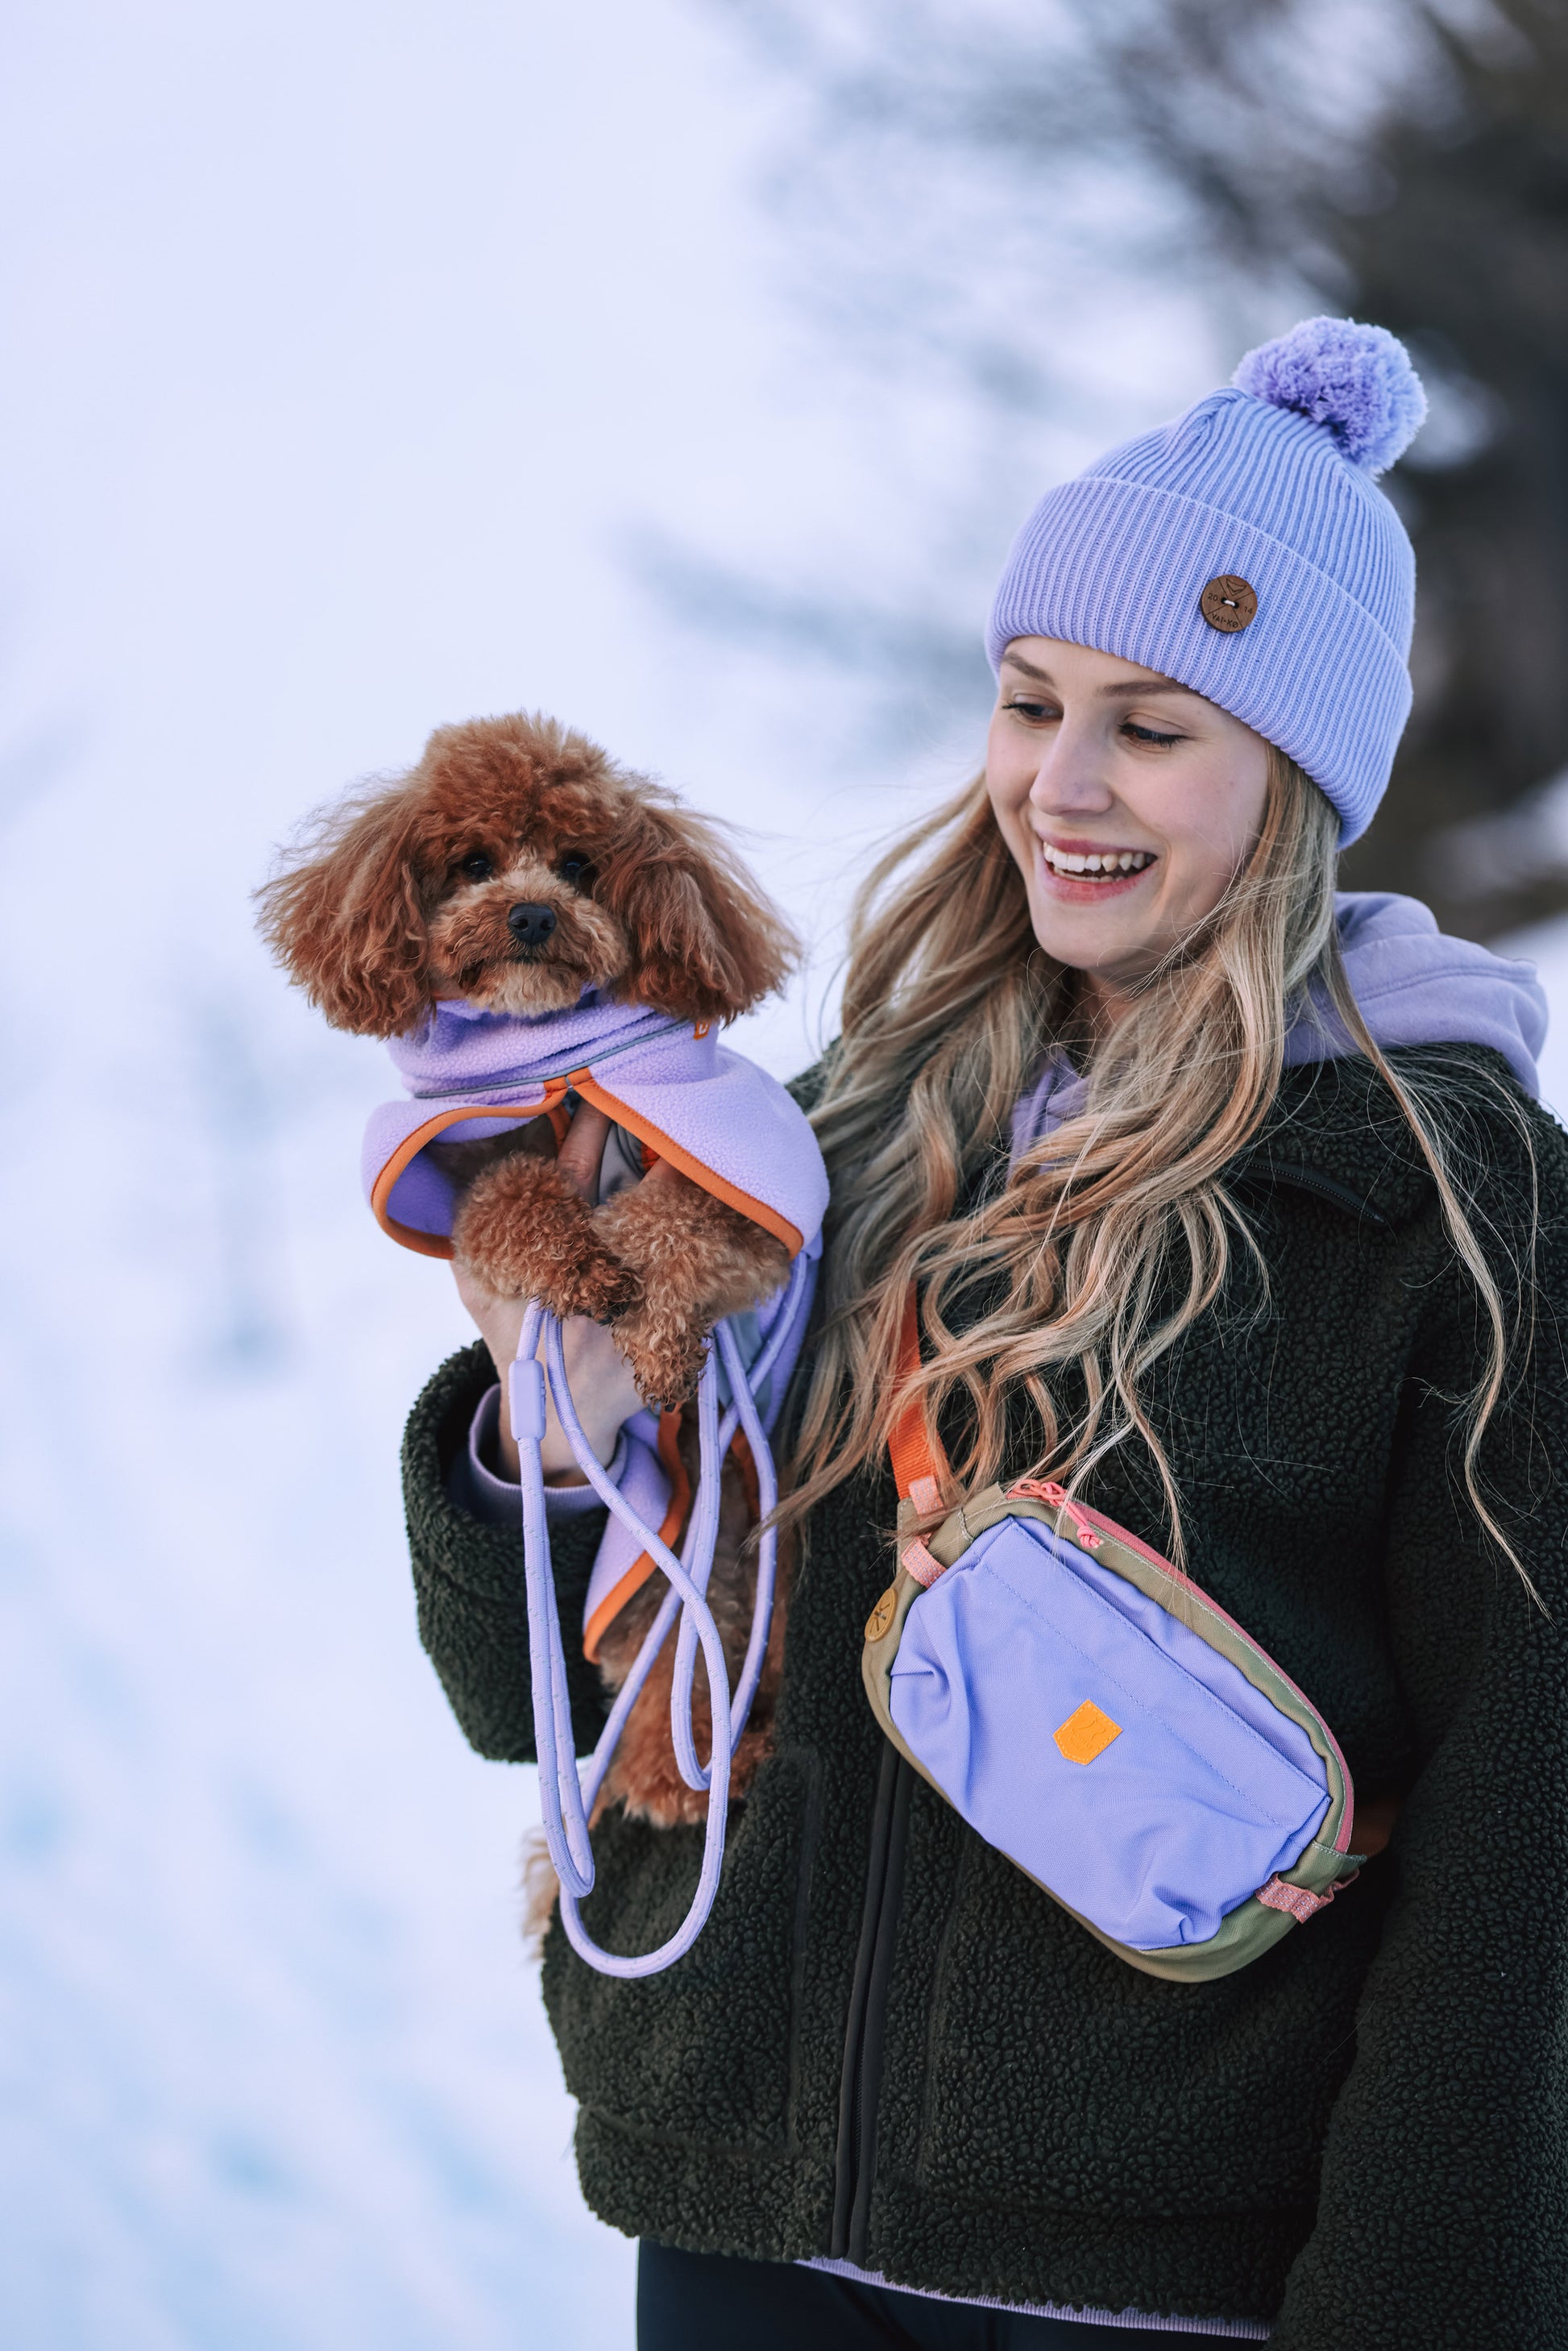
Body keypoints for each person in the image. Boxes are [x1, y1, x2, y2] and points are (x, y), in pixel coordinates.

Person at [401, 318, 1568, 2347]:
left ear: (1295, 774)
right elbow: (541, 1699)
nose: (1066, 783)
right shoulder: (843, 1120)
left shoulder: (1445, 1199)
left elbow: (1523, 1842)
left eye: (1155, 725)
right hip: (744, 2212)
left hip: (1152, 2274)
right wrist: (546, 1445)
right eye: (1031, 704)